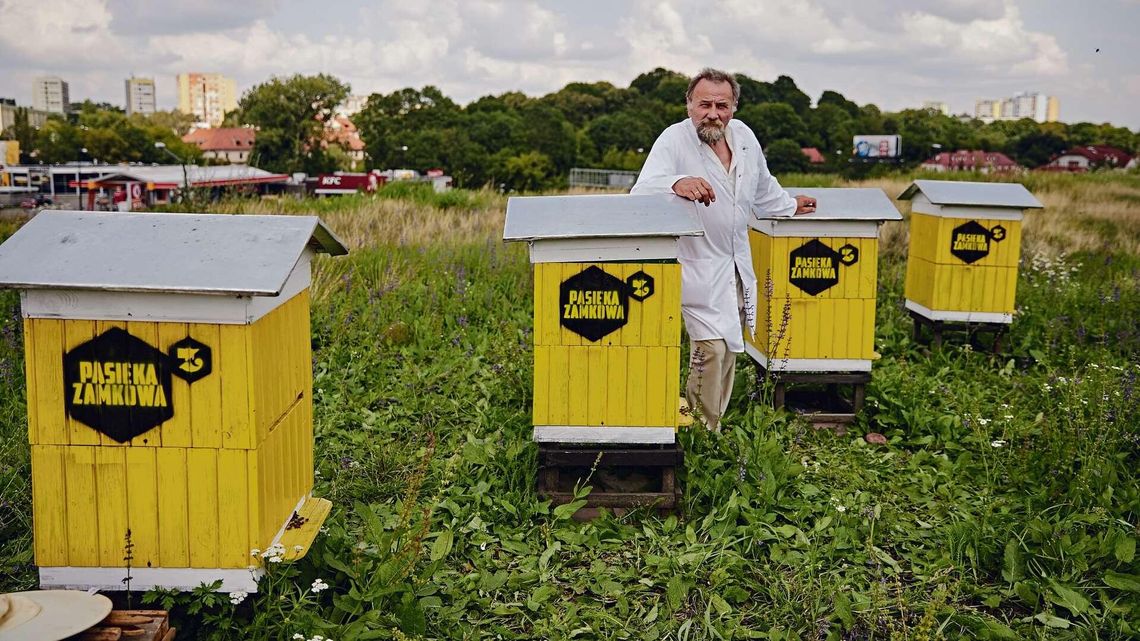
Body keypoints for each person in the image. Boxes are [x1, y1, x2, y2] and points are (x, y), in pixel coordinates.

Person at [630, 67, 816, 431]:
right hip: (695, 264)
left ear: (733, 107)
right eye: (704, 105)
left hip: (734, 263)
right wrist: (678, 182)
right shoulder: (674, 140)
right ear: (688, 105)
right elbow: (642, 191)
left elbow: (762, 189)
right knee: (710, 349)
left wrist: (790, 205)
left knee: (729, 348)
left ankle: (712, 426)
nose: (713, 113)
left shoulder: (744, 137)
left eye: (722, 105)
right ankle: (699, 429)